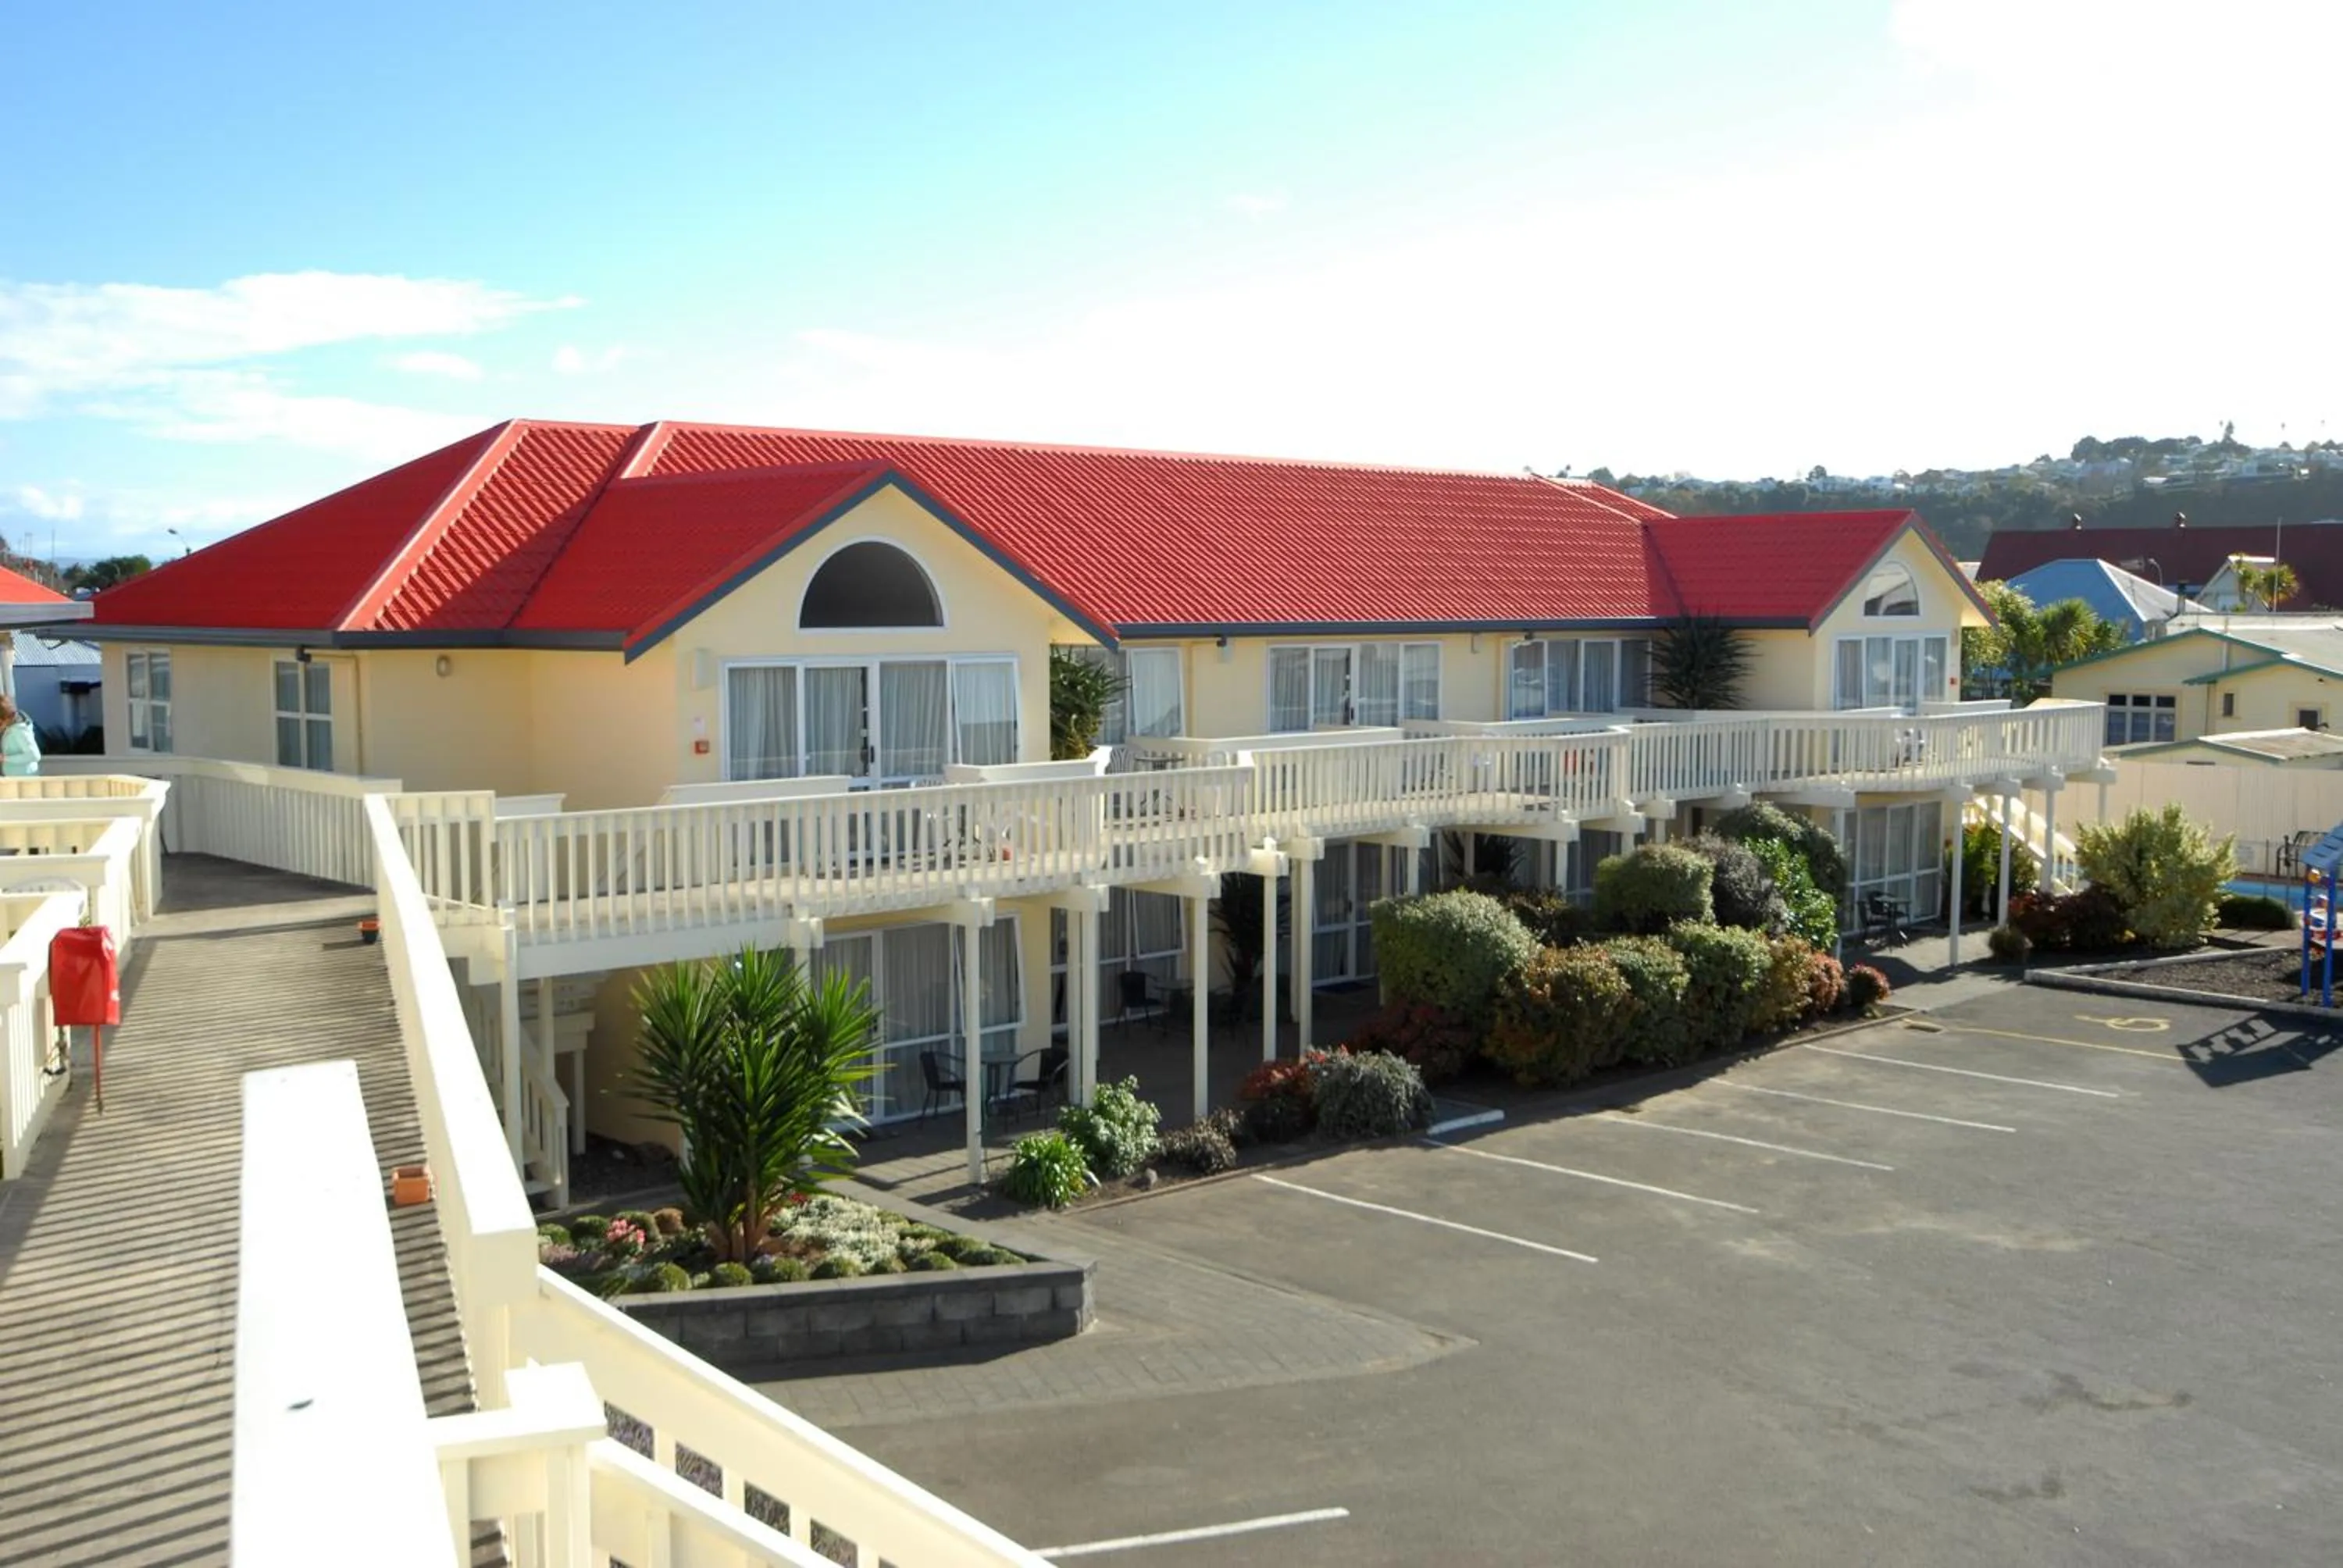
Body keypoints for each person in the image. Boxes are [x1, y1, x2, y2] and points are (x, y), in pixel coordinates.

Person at [0, 697, 39, 777]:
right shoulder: (11, 727)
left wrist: (4, 758)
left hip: (24, 781)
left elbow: (34, 755)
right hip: (15, 780)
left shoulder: (20, 730)